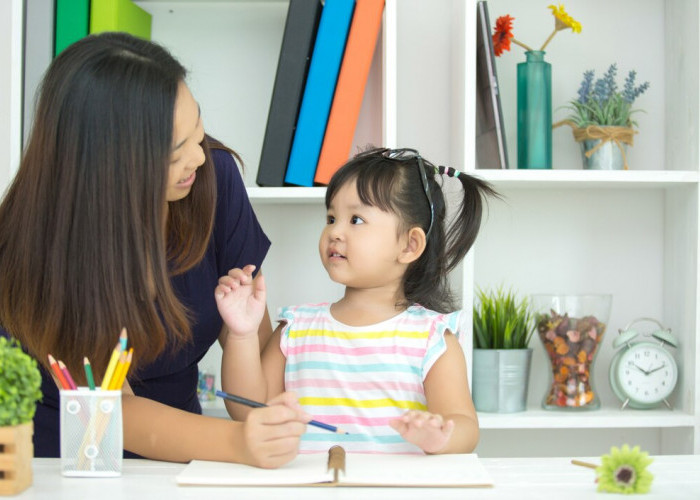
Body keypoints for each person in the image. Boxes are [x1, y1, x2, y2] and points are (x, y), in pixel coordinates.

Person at [0, 32, 310, 468]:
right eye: (174, 152)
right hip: (70, 463)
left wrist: (265, 420)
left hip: (185, 456)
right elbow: (110, 408)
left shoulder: (211, 179)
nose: (200, 159)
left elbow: (252, 361)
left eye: (197, 128)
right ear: (110, 170)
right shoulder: (44, 243)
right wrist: (238, 442)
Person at [216, 147, 497, 454]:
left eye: (356, 220)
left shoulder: (432, 339)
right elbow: (248, 411)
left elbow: (465, 427)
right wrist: (242, 335)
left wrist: (440, 437)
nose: (335, 231)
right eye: (331, 217)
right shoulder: (296, 329)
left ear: (409, 245)